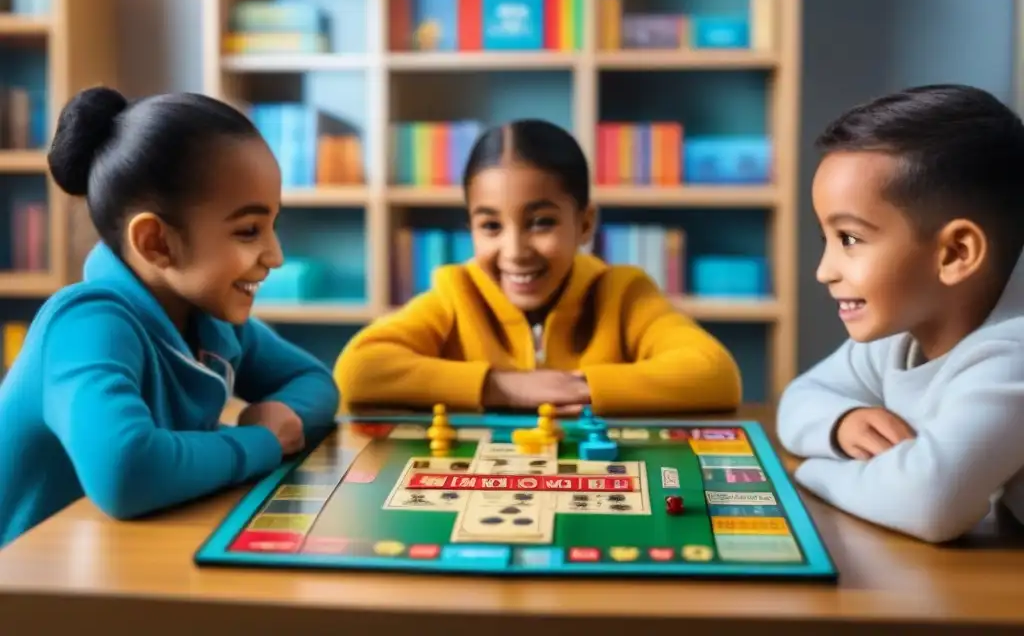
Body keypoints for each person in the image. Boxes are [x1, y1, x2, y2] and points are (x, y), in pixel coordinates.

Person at [0, 86, 339, 548]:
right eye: (248, 231)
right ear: (156, 243)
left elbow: (315, 382)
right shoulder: (84, 324)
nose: (275, 256)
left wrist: (278, 420)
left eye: (272, 226)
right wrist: (259, 443)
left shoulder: (209, 318)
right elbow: (125, 471)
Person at [334, 118, 741, 416]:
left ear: (584, 223)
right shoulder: (455, 292)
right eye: (490, 226)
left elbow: (714, 374)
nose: (514, 251)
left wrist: (573, 388)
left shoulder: (623, 292)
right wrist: (502, 387)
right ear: (470, 228)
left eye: (541, 222)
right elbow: (358, 371)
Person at [776, 83, 1024, 543]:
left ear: (955, 253)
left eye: (849, 239)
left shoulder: (1014, 355)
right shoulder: (903, 336)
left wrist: (810, 475)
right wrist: (841, 423)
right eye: (825, 239)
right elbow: (800, 397)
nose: (824, 271)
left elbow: (930, 503)